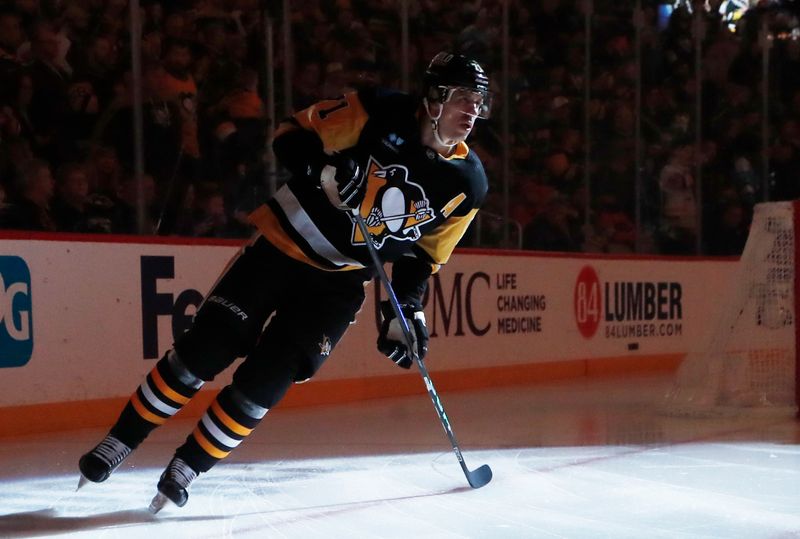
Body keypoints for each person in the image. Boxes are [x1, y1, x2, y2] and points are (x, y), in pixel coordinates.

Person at [77, 51, 491, 512]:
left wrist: (406, 307)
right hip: (283, 247)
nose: (472, 111)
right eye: (463, 98)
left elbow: (424, 254)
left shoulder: (469, 184)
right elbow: (290, 136)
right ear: (433, 98)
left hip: (340, 284)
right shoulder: (378, 110)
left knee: (267, 381)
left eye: (478, 101)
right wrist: (326, 169)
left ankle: (187, 467)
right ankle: (120, 440)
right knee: (206, 349)